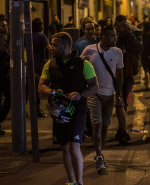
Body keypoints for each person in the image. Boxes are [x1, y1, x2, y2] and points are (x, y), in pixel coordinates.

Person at [38, 32, 98, 185]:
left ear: (65, 46)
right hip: (58, 113)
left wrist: (81, 94)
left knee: (74, 147)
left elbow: (94, 86)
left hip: (77, 111)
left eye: (54, 44)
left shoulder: (83, 64)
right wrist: (51, 91)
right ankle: (71, 181)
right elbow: (41, 86)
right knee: (64, 147)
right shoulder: (50, 64)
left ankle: (80, 182)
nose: (51, 47)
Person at [81, 25, 123, 173]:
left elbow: (119, 75)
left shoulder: (117, 52)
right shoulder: (89, 50)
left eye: (115, 35)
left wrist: (119, 95)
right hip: (94, 94)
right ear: (104, 37)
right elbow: (81, 68)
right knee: (97, 125)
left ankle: (100, 151)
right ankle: (98, 155)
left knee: (105, 126)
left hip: (109, 95)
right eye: (113, 36)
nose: (115, 38)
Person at [114, 15, 143, 143]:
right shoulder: (114, 35)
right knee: (119, 101)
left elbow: (139, 49)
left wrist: (130, 35)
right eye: (118, 26)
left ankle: (122, 129)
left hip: (129, 72)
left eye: (122, 26)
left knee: (125, 101)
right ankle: (121, 129)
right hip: (116, 73)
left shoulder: (135, 33)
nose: (119, 29)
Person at [32, 18, 52, 117]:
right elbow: (50, 49)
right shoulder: (42, 37)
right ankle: (37, 109)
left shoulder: (28, 36)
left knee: (29, 90)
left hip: (29, 66)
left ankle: (29, 110)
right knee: (38, 89)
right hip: (39, 66)